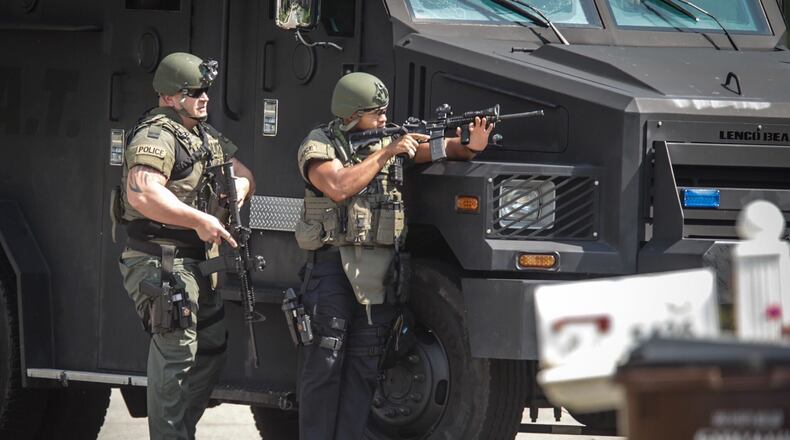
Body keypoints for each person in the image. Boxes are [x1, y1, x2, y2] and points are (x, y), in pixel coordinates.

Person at [294, 72, 493, 439]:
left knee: (364, 368)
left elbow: (445, 148)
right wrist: (388, 151)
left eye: (385, 112)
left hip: (379, 275)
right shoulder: (319, 145)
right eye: (376, 113)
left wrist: (471, 143)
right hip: (332, 270)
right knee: (325, 366)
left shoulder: (388, 140)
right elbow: (338, 186)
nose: (384, 120)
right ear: (352, 114)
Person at [114, 52, 255, 440]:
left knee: (211, 348)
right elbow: (142, 193)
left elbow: (243, 174)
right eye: (195, 91)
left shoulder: (204, 136)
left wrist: (240, 187)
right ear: (172, 96)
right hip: (161, 259)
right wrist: (201, 219)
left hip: (196, 262)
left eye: (206, 90)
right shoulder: (156, 135)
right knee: (177, 355)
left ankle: (178, 432)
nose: (204, 97)